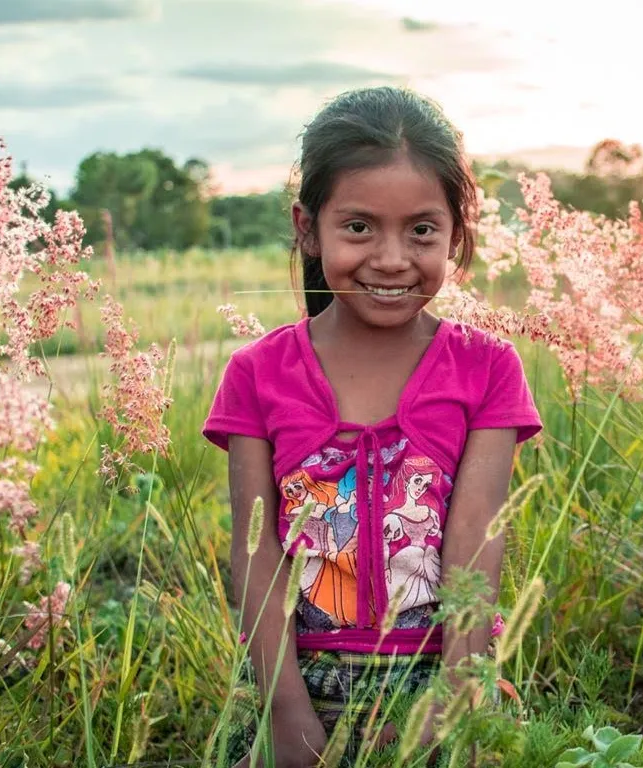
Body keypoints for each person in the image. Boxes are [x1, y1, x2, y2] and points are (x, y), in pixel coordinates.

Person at [202, 86, 543, 767]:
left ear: (456, 232)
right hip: (295, 683)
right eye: (359, 227)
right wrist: (286, 713)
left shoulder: (487, 370)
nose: (391, 258)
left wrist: (456, 698)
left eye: (422, 230)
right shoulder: (257, 374)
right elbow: (255, 552)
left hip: (439, 679)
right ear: (307, 228)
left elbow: (475, 548)